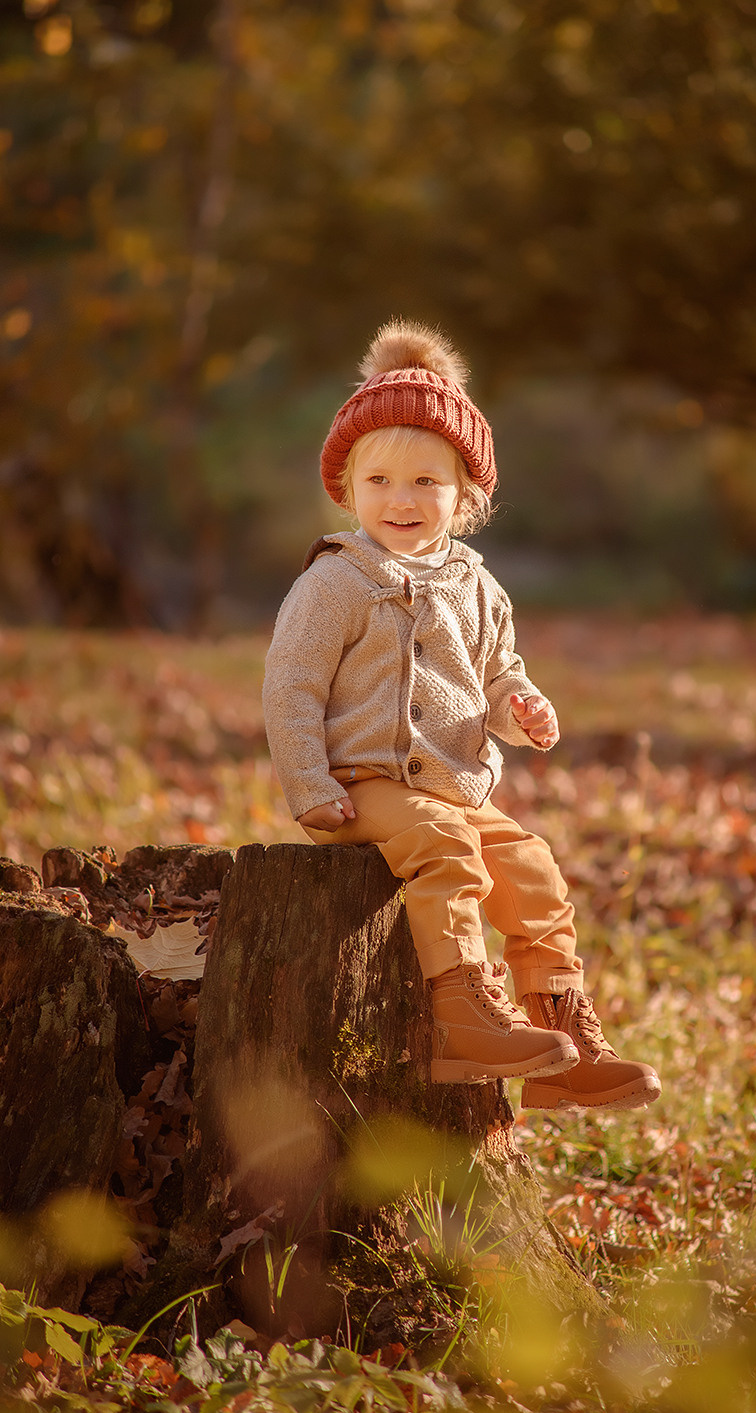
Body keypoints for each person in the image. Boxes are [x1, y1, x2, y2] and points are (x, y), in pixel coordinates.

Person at [263, 320, 661, 1111]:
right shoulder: (334, 583)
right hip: (357, 784)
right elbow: (291, 688)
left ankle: (563, 1040)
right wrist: (307, 783)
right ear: (346, 488)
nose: (400, 500)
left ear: (467, 494)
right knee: (445, 848)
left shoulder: (477, 587)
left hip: (446, 786)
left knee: (532, 868)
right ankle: (461, 1011)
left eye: (425, 483)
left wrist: (520, 707)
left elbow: (496, 674)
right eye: (378, 482)